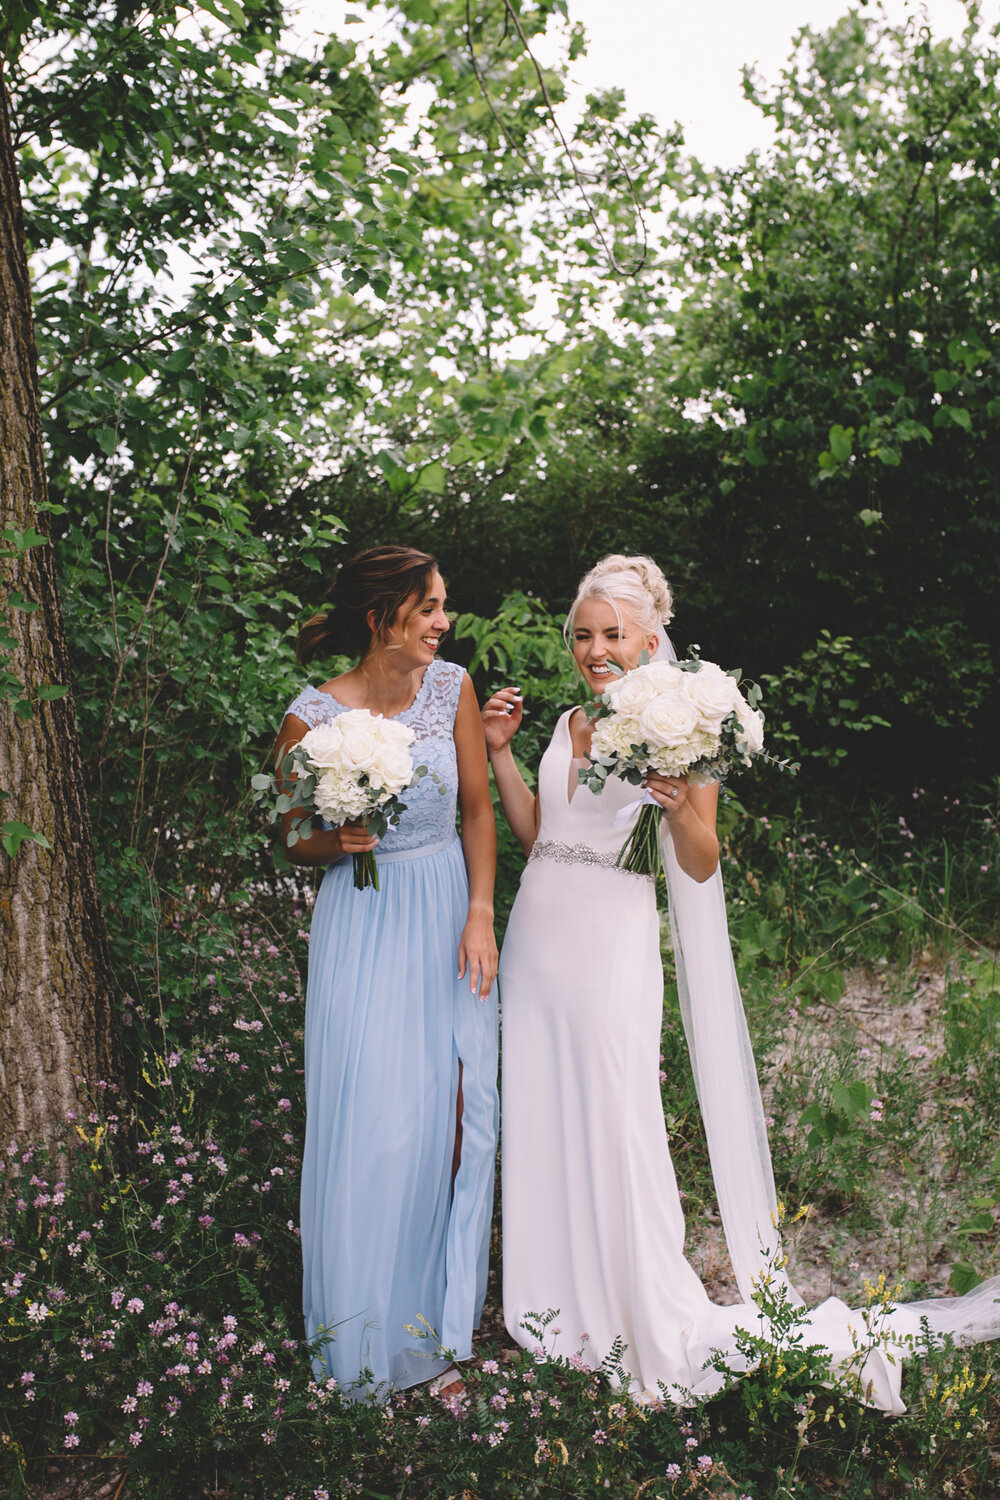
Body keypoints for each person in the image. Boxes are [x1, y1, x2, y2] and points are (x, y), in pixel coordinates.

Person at [485, 552, 1000, 1413]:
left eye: (614, 634)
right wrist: (502, 754)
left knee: (616, 1115)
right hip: (539, 934)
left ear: (651, 638)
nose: (596, 649)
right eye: (583, 634)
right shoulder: (567, 721)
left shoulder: (682, 723)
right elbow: (540, 831)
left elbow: (700, 861)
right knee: (543, 1106)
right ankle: (557, 1307)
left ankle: (635, 1307)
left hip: (610, 939)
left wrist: (681, 802)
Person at [276, 545, 499, 1400]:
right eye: (429, 608)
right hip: (362, 926)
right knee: (373, 1125)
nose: (444, 622)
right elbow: (291, 839)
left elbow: (477, 810)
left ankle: (433, 1337)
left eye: (444, 605)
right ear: (380, 619)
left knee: (443, 1121)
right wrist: (341, 840)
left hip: (446, 915)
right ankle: (362, 1343)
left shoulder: (454, 690)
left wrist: (480, 913)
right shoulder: (311, 716)